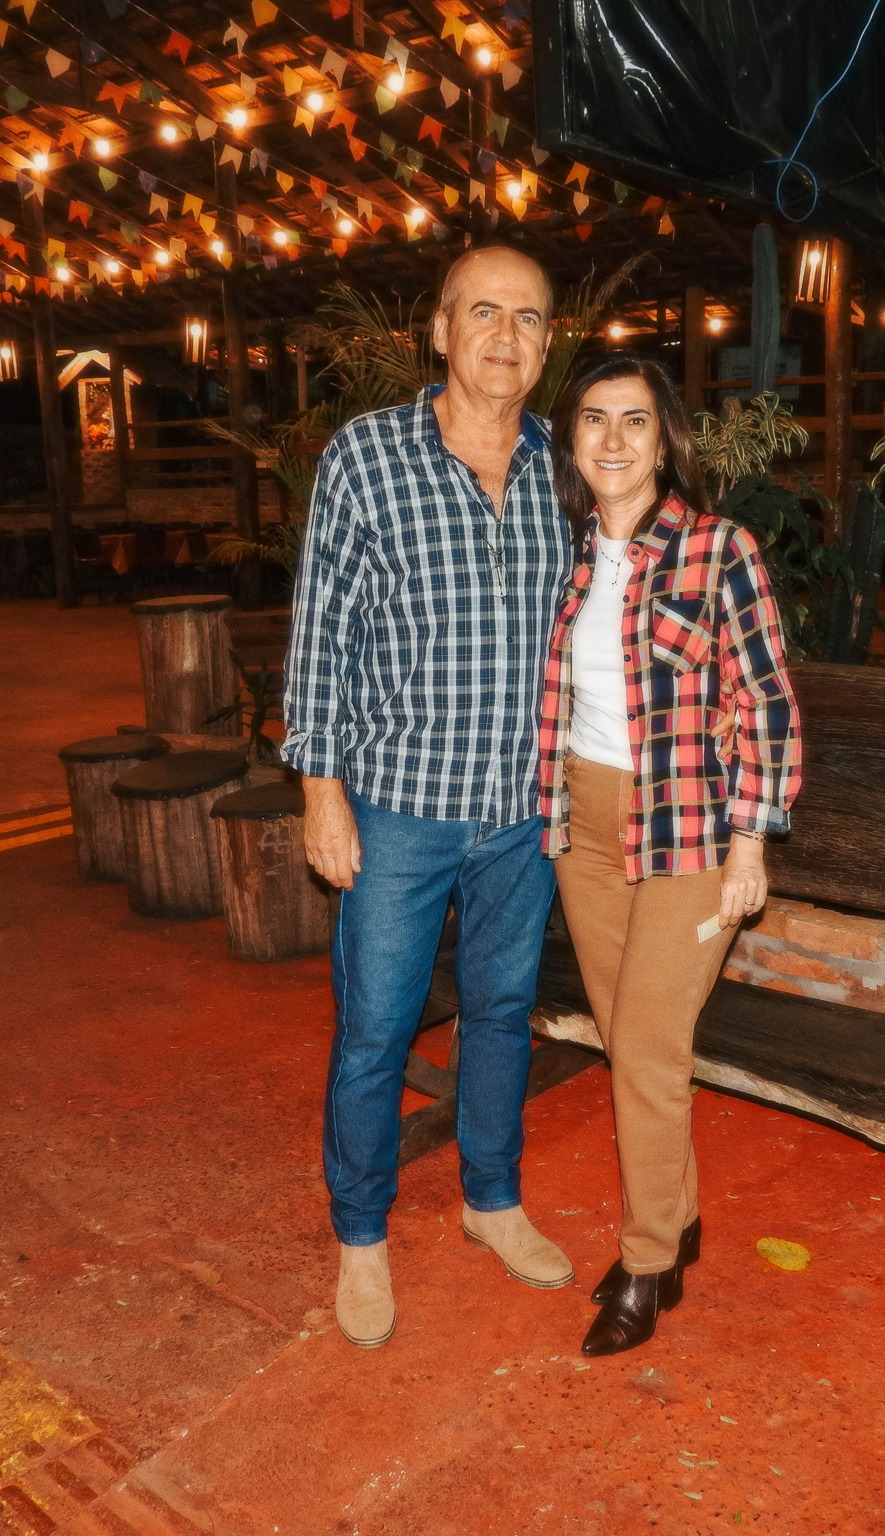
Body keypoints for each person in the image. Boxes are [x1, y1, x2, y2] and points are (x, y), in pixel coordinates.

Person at [283, 246, 578, 1349]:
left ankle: (490, 1201)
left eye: (528, 317)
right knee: (375, 1027)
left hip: (522, 812)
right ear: (441, 330)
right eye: (483, 312)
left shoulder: (565, 466)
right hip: (398, 805)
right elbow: (321, 633)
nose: (505, 335)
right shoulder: (367, 456)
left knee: (502, 1012)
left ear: (547, 345)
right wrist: (321, 792)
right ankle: (361, 1235)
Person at [537, 354, 801, 1357]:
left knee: (647, 1047)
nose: (611, 439)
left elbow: (765, 699)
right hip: (585, 825)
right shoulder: (563, 557)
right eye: (592, 419)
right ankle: (679, 1220)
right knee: (628, 1042)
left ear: (664, 441)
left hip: (689, 823)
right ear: (571, 440)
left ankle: (648, 1263)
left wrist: (751, 843)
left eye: (634, 421)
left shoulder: (717, 549)